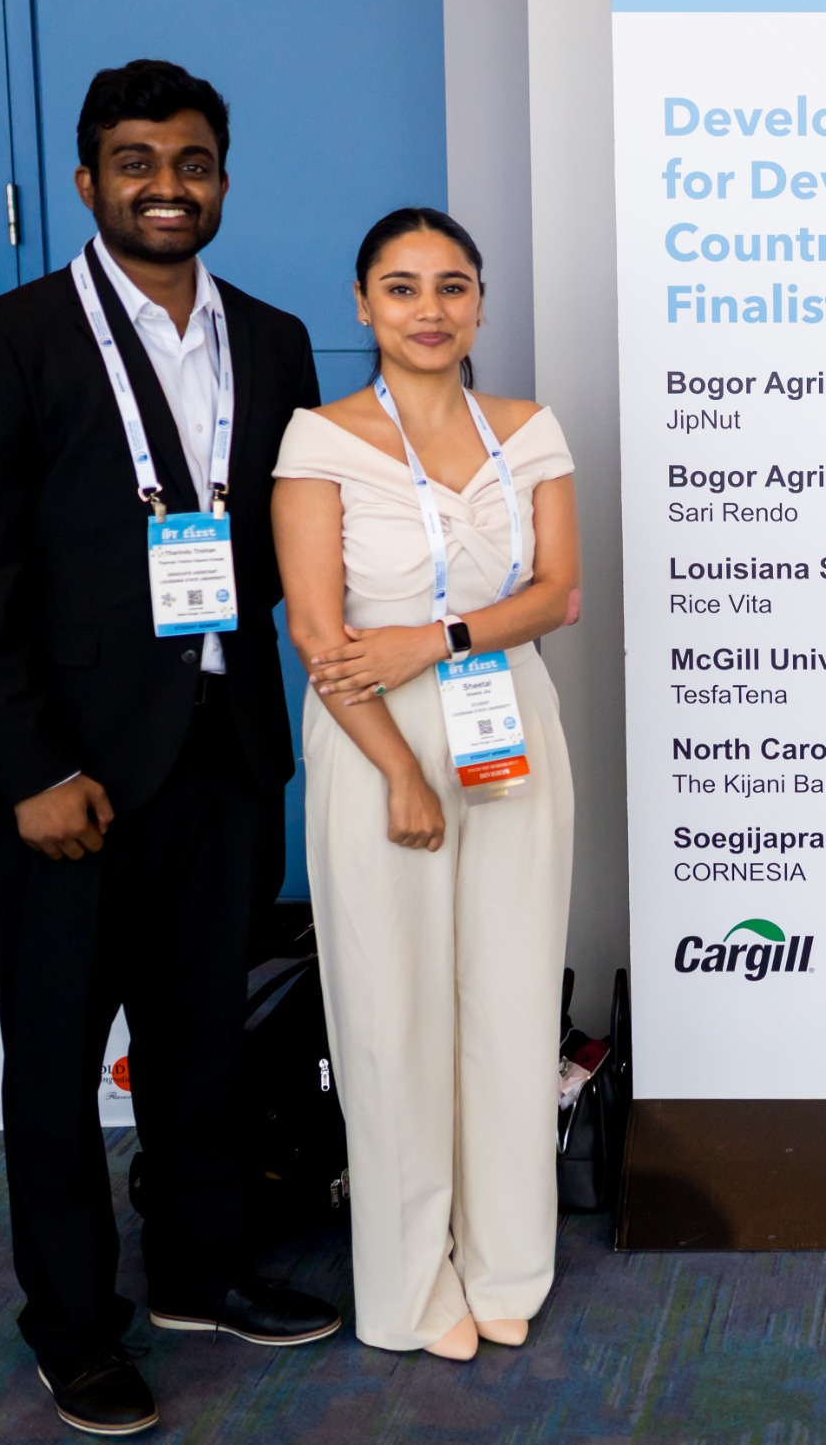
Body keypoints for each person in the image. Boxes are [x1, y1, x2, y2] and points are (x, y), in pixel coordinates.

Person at [0, 60, 338, 1438]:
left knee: (201, 1035)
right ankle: (73, 1325)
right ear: (90, 177)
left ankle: (200, 1270)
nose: (169, 184)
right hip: (70, 778)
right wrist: (33, 768)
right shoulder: (10, 337)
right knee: (53, 1062)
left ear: (224, 175)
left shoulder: (272, 339)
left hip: (222, 752)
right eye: (138, 159)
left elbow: (290, 537)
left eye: (195, 159)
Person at [270, 208, 580, 1361]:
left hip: (510, 726)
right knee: (392, 1014)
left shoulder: (529, 430)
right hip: (373, 742)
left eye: (453, 285)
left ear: (481, 303)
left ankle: (508, 1258)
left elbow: (557, 594)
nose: (430, 308)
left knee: (507, 1004)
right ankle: (408, 1284)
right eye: (401, 288)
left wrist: (435, 638)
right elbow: (319, 631)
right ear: (363, 304)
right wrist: (399, 768)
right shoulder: (320, 440)